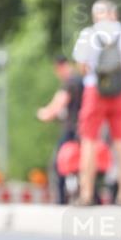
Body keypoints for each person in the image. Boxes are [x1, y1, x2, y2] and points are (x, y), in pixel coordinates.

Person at [72, 0, 121, 205]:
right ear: (115, 13)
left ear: (96, 15)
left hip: (95, 90)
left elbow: (82, 67)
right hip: (120, 91)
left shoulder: (88, 34)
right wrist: (120, 72)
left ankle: (86, 194)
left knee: (89, 141)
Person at [36, 55, 83, 203]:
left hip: (72, 130)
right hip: (86, 130)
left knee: (59, 164)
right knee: (83, 164)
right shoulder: (82, 80)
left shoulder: (70, 82)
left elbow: (58, 104)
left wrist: (44, 114)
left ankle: (61, 200)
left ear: (60, 67)